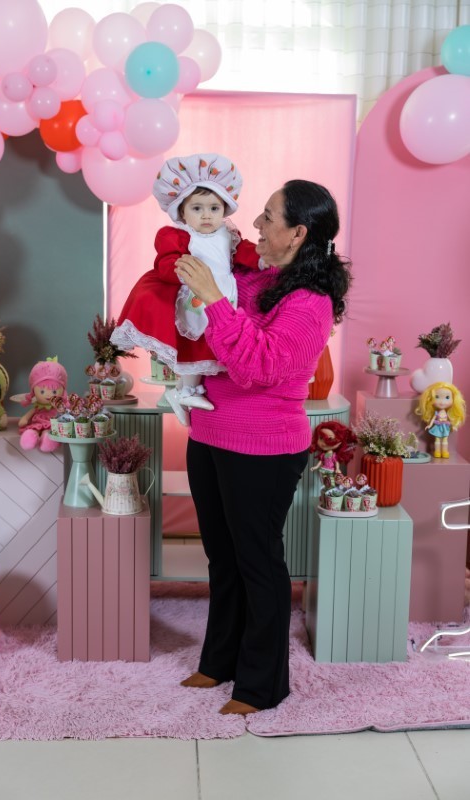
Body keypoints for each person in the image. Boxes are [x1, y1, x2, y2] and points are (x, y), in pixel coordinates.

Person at [174, 179, 352, 715]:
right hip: (209, 434)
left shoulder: (311, 303)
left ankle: (262, 685)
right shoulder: (253, 278)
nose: (256, 223)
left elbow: (259, 365)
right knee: (222, 558)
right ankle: (219, 661)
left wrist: (213, 298)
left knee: (258, 561)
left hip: (264, 448)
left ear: (298, 233)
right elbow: (209, 330)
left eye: (269, 217)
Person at [110, 153, 261, 424]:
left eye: (214, 208)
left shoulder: (228, 234)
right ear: (182, 211)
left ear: (224, 210)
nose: (207, 215)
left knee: (213, 338)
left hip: (222, 293)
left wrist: (261, 259)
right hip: (193, 293)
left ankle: (182, 392)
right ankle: (186, 390)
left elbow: (244, 251)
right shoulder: (178, 235)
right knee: (194, 342)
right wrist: (180, 270)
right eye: (197, 208)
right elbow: (165, 261)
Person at [18, 356, 68, 452]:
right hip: (37, 423)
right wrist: (25, 419)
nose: (48, 395)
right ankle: (31, 436)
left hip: (52, 424)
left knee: (48, 432)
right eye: (42, 392)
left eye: (54, 392)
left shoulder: (59, 407)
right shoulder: (38, 407)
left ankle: (47, 438)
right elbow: (29, 415)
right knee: (33, 430)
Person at [415, 381, 466, 459]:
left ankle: (444, 452)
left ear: (454, 399)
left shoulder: (447, 413)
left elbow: (450, 419)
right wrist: (430, 425)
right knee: (437, 439)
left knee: (445, 439)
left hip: (445, 427)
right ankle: (437, 451)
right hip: (437, 427)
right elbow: (433, 419)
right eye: (437, 397)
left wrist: (454, 426)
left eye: (447, 397)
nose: (442, 402)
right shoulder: (436, 413)